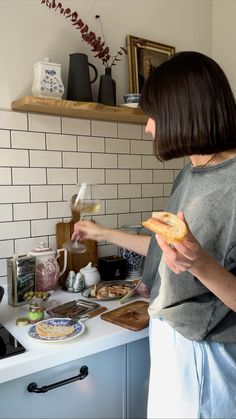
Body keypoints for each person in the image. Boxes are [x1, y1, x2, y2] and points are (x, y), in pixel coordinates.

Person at [73, 51, 236, 419]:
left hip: (205, 354)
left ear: (184, 110)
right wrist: (102, 231)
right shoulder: (192, 171)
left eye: (153, 114)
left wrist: (200, 264)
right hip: (169, 340)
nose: (148, 127)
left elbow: (194, 260)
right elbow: (165, 250)